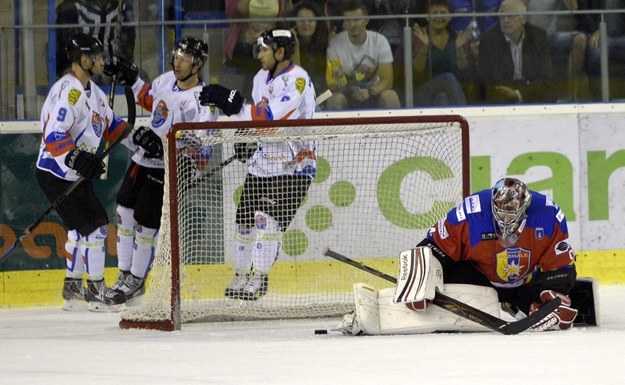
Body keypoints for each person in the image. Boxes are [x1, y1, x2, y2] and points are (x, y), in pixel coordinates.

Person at [339, 177, 579, 335]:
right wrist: (419, 278)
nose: (506, 222)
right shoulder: (469, 213)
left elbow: (561, 263)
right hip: (478, 278)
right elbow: (433, 246)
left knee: (566, 278)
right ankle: (379, 307)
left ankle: (522, 302)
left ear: (525, 208)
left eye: (512, 216)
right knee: (433, 285)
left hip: (525, 282)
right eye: (500, 215)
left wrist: (557, 296)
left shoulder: (548, 213)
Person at [199, 28, 317, 301]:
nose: (260, 55)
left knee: (266, 220)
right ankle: (242, 276)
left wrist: (233, 102)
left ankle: (259, 279)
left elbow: (271, 117)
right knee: (243, 223)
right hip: (262, 161)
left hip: (294, 164)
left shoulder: (298, 80)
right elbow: (255, 121)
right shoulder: (259, 78)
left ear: (280, 52)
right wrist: (245, 136)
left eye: (265, 49)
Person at [104, 37, 218, 301]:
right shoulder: (166, 80)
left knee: (145, 225)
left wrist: (167, 146)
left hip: (168, 168)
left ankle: (135, 280)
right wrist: (130, 77)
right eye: (176, 56)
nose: (177, 62)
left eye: (184, 58)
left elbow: (203, 142)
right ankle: (123, 274)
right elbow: (149, 99)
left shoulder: (203, 101)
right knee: (123, 213)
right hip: (143, 160)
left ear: (198, 64)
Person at [36, 33, 129, 312]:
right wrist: (75, 156)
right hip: (57, 173)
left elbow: (114, 128)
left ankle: (74, 286)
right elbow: (53, 134)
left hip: (73, 173)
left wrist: (143, 140)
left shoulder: (95, 93)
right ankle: (96, 290)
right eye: (98, 56)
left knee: (82, 229)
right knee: (97, 227)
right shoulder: (70, 91)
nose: (102, 61)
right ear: (84, 60)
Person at [325, 0, 401, 110]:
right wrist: (338, 84)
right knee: (335, 99)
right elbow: (334, 81)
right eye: (348, 20)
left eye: (356, 20)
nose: (352, 24)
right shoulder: (334, 44)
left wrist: (369, 91)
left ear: (366, 20)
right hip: (347, 94)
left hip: (373, 92)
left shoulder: (380, 41)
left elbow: (387, 81)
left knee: (390, 96)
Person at [477, 0, 555, 104]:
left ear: (523, 19)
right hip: (501, 95)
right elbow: (492, 80)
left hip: (531, 93)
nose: (505, 20)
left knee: (548, 95)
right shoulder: (489, 39)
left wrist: (518, 94)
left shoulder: (538, 37)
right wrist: (514, 93)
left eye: (511, 16)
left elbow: (546, 77)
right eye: (502, 16)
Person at [223, 0, 294, 100]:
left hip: (271, 43)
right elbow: (232, 13)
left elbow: (287, 15)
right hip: (245, 44)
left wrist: (266, 35)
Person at [55, 0, 135, 82]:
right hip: (80, 68)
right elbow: (62, 49)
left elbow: (127, 49)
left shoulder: (122, 7)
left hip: (109, 69)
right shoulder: (71, 7)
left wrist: (118, 67)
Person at [525, 0, 589, 101]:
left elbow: (574, 8)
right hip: (526, 36)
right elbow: (517, 10)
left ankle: (572, 97)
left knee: (579, 39)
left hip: (549, 36)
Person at [411, 0, 470, 106]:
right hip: (422, 92)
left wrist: (459, 50)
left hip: (450, 92)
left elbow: (465, 73)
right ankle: (466, 117)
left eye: (443, 13)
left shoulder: (457, 37)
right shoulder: (416, 36)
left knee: (442, 98)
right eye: (434, 13)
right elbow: (414, 74)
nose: (439, 17)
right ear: (427, 16)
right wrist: (424, 48)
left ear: (450, 16)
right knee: (448, 78)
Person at [290, 1, 330, 95]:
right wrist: (295, 45)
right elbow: (296, 79)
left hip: (321, 95)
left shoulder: (325, 45)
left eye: (310, 20)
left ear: (317, 23)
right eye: (301, 20)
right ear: (294, 22)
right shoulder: (288, 46)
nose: (306, 24)